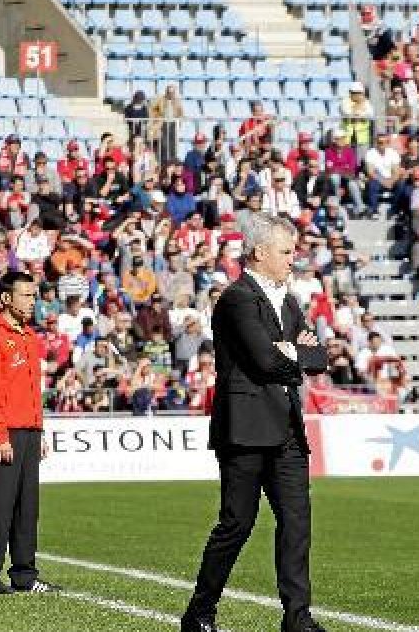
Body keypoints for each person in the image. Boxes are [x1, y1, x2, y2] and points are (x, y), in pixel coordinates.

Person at [183, 212, 328, 632]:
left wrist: (290, 352)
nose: (293, 259)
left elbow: (318, 358)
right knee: (236, 525)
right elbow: (265, 360)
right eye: (285, 251)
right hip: (245, 430)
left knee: (297, 524)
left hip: (286, 429)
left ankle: (297, 618)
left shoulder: (288, 300)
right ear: (259, 252)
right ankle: (200, 611)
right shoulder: (237, 299)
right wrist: (291, 353)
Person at [0, 270, 59, 595]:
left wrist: (40, 430)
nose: (32, 301)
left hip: (29, 430)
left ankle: (25, 574)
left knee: (27, 509)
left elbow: (31, 390)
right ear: (7, 298)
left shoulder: (29, 335)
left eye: (34, 295)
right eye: (26, 295)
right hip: (5, 433)